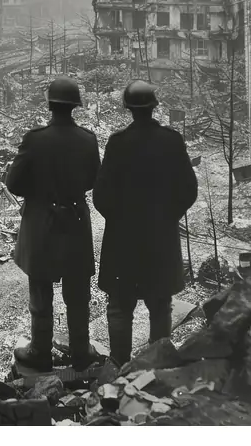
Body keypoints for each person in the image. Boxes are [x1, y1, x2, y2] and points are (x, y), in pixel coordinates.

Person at [93, 80, 198, 366]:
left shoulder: (117, 142)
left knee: (119, 307)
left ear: (127, 108)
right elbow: (189, 190)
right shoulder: (172, 140)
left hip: (122, 241)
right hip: (160, 239)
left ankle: (118, 366)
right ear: (154, 107)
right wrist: (167, 218)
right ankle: (160, 366)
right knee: (160, 304)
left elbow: (100, 196)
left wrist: (120, 221)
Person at [6, 76, 101, 371]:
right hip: (75, 220)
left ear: (49, 105)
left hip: (42, 223)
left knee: (40, 291)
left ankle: (40, 352)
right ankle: (81, 353)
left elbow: (14, 183)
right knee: (78, 294)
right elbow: (94, 179)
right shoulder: (87, 139)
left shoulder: (34, 139)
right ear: (75, 106)